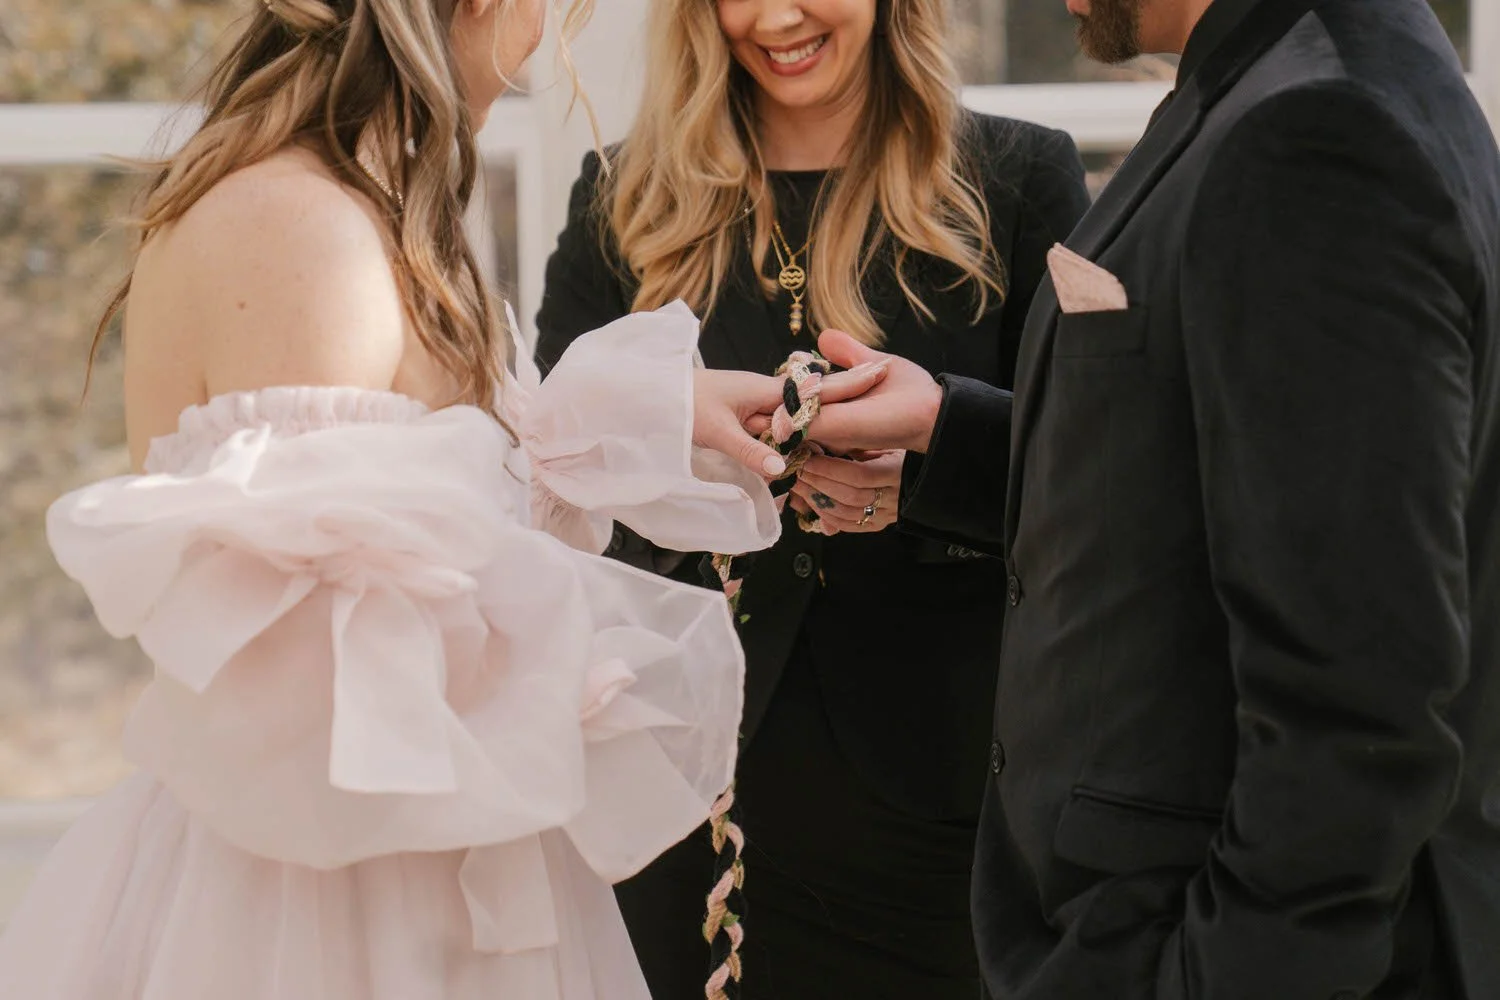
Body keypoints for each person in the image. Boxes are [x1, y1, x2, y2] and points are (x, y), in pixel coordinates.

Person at [0, 1, 889, 997]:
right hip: (341, 914)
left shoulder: (360, 205)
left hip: (420, 875)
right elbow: (341, 687)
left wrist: (642, 417)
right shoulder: (306, 231)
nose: (544, 28)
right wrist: (583, 664)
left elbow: (432, 497)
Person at [809, 0, 1500, 996]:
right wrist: (944, 437)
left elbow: (1357, 705)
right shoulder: (1289, 79)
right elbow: (1217, 466)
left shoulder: (1320, 133)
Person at [533, 0, 1088, 996]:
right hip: (675, 805)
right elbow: (547, 481)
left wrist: (927, 470)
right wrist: (668, 426)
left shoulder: (1017, 181)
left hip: (937, 809)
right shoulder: (619, 195)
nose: (777, 15)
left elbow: (1096, 470)